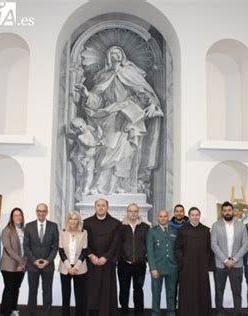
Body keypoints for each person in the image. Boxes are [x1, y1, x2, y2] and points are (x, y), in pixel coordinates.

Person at [75, 45, 163, 194]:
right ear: (108, 57)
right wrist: (87, 94)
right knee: (107, 149)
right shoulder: (103, 76)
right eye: (112, 53)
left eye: (118, 52)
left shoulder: (130, 73)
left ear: (123, 55)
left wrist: (151, 104)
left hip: (129, 116)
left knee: (127, 152)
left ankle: (122, 186)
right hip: (110, 115)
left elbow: (143, 91)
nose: (116, 55)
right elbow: (98, 100)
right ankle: (100, 187)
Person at [83, 198, 121, 316]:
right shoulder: (86, 222)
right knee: (91, 292)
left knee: (106, 292)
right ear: (95, 207)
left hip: (107, 264)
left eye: (103, 205)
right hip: (91, 263)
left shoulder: (116, 223)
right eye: (98, 205)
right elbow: (83, 242)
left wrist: (106, 257)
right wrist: (91, 255)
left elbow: (116, 243)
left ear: (107, 207)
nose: (100, 207)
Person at [211, 201, 248, 316]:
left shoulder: (241, 225)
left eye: (229, 210)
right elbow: (213, 244)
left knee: (237, 292)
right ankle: (219, 312)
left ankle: (237, 312)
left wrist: (234, 259)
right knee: (219, 291)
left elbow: (245, 245)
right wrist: (225, 260)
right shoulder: (216, 225)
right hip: (220, 264)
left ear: (233, 211)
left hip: (236, 265)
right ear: (222, 212)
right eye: (225, 210)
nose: (227, 212)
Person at [175, 207, 214, 316]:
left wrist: (207, 264)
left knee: (202, 292)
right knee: (187, 293)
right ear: (189, 216)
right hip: (187, 268)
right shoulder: (182, 230)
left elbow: (209, 249)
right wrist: (182, 262)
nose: (195, 217)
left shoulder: (206, 231)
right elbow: (177, 248)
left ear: (199, 216)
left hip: (201, 268)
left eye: (197, 215)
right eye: (192, 215)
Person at [24, 203, 59, 316]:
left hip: (48, 266)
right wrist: (34, 261)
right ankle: (32, 313)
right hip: (32, 265)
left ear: (46, 212)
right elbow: (26, 246)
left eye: (43, 211)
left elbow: (55, 246)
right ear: (36, 212)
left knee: (47, 292)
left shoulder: (53, 226)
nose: (41, 213)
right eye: (39, 210)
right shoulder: (29, 226)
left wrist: (48, 261)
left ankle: (47, 313)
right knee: (32, 292)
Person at [117, 203, 150, 316]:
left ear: (138, 212)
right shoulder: (120, 227)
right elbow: (117, 245)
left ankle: (139, 312)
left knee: (138, 291)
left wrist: (146, 259)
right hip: (124, 264)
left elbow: (148, 246)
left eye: (135, 211)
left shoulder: (145, 227)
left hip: (140, 265)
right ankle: (124, 311)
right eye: (131, 211)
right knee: (124, 290)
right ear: (127, 212)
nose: (133, 213)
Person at [147, 209, 178, 316]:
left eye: (165, 216)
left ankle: (171, 312)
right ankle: (155, 312)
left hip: (172, 267)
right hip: (158, 267)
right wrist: (153, 268)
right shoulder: (152, 231)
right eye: (161, 216)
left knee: (171, 292)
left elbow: (177, 249)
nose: (163, 218)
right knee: (156, 293)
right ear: (157, 218)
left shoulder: (174, 231)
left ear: (168, 217)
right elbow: (150, 252)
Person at [58, 210, 88, 316]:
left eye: (75, 219)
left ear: (78, 221)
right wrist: (68, 267)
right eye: (71, 218)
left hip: (79, 268)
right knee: (65, 296)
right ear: (68, 220)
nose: (73, 221)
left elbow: (85, 251)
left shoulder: (84, 232)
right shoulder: (62, 232)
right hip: (65, 268)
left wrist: (76, 267)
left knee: (80, 297)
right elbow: (60, 251)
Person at [0, 208, 27, 316]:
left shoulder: (24, 230)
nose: (18, 217)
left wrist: (23, 263)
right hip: (9, 265)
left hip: (22, 265)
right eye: (15, 215)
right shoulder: (6, 230)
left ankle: (13, 309)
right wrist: (21, 261)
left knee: (16, 288)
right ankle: (5, 312)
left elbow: (27, 247)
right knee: (9, 289)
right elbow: (8, 248)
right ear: (11, 217)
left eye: (19, 215)